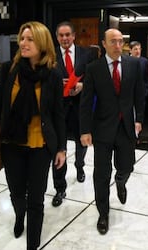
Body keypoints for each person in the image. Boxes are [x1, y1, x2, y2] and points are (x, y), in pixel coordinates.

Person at [0, 21, 66, 250]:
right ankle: (19, 216)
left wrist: (61, 148)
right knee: (17, 193)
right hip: (11, 144)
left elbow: (58, 115)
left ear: (42, 43)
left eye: (30, 39)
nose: (24, 43)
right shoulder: (9, 69)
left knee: (36, 199)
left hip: (41, 146)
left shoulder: (52, 75)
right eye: (22, 38)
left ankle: (32, 245)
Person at [80, 28, 145, 235]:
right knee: (101, 174)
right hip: (102, 129)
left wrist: (139, 119)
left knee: (127, 166)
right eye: (113, 42)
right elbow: (86, 102)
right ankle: (103, 214)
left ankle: (120, 182)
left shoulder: (133, 64)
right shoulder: (93, 68)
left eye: (120, 41)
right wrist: (85, 130)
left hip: (126, 126)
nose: (118, 45)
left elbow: (139, 95)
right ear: (104, 44)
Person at [51, 21, 93, 207]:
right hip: (58, 108)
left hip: (80, 107)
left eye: (67, 35)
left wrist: (83, 86)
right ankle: (60, 187)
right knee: (58, 146)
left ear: (74, 36)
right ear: (56, 37)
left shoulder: (87, 54)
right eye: (61, 35)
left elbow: (94, 79)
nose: (64, 38)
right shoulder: (50, 56)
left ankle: (80, 166)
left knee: (81, 142)